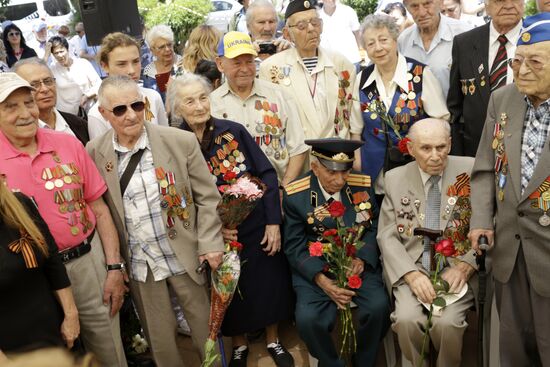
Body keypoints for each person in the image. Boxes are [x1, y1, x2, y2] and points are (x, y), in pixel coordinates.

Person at [86, 75, 224, 366]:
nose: (131, 114)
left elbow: (208, 198)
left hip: (185, 255)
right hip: (140, 263)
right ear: (104, 114)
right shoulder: (94, 153)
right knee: (161, 343)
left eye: (137, 104)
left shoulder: (179, 141)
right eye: (120, 109)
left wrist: (210, 243)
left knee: (205, 334)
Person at [0, 72, 127, 367]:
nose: (25, 113)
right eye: (11, 106)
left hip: (86, 264)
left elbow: (99, 209)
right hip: (31, 281)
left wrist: (113, 267)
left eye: (28, 103)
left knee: (109, 351)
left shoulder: (67, 144)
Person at [168, 73, 295, 367]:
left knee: (267, 282)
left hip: (256, 224)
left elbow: (266, 173)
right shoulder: (175, 141)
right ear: (177, 107)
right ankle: (239, 345)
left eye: (203, 98)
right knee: (227, 289)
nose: (199, 106)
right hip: (214, 233)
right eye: (190, 101)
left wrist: (273, 222)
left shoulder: (233, 131)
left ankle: (273, 339)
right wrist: (211, 231)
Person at [469, 13, 550, 366]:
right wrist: (481, 220)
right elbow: (485, 168)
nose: (522, 70)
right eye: (518, 61)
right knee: (513, 350)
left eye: (535, 62)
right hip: (509, 250)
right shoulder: (502, 100)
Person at [377, 118, 477, 366]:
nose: (435, 156)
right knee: (406, 320)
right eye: (426, 148)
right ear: (410, 148)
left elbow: (489, 224)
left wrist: (466, 266)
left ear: (451, 144)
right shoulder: (394, 178)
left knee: (447, 323)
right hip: (412, 266)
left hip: (456, 267)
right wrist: (411, 275)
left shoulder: (471, 170)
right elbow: (387, 235)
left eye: (441, 147)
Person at [282, 138, 391, 366]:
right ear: (315, 167)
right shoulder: (296, 195)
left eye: (345, 171)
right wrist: (320, 279)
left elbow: (373, 226)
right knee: (308, 320)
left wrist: (362, 258)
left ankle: (365, 360)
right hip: (316, 266)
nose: (340, 180)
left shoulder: (361, 184)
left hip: (356, 264)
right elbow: (293, 245)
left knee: (379, 308)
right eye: (332, 172)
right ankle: (332, 363)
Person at [350, 14, 449, 193]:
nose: (378, 48)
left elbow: (440, 122)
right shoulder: (361, 79)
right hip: (373, 174)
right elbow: (355, 131)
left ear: (395, 40)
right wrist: (358, 169)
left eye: (383, 40)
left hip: (416, 169)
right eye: (370, 44)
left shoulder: (420, 74)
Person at [211, 31, 308, 186]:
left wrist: (285, 189)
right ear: (220, 64)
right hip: (233, 201)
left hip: (278, 190)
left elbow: (298, 149)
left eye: (249, 62)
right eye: (237, 63)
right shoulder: (211, 105)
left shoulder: (280, 96)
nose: (245, 69)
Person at [0, 184, 79, 356]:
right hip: (11, 348)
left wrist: (71, 313)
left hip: (54, 330)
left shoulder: (20, 203)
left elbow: (52, 259)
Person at [259, 0, 356, 140]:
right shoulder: (271, 68)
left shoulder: (341, 63)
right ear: (287, 34)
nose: (311, 29)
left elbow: (352, 117)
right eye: (301, 26)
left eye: (315, 23)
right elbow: (271, 120)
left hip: (336, 155)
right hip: (298, 157)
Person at [447, 0, 524, 157]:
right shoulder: (464, 43)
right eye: (499, 0)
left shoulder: (541, 40)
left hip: (525, 152)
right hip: (475, 152)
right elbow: (455, 108)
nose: (509, 5)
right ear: (486, 5)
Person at [87, 32, 168, 140]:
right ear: (104, 66)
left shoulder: (153, 97)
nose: (131, 70)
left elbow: (166, 139)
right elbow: (102, 153)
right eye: (122, 64)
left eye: (136, 61)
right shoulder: (97, 114)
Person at [398, 0, 472, 98]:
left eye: (427, 4)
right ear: (407, 8)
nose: (422, 12)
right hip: (416, 111)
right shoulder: (403, 40)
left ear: (440, 3)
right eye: (415, 6)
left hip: (456, 111)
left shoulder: (464, 33)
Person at [13, 58, 90, 145]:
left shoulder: (79, 124)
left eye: (48, 81)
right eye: (34, 85)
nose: (45, 89)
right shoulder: (17, 135)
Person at [48, 36, 101, 116]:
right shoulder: (52, 70)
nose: (59, 55)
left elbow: (98, 84)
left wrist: (87, 96)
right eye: (56, 53)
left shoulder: (82, 63)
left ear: (68, 50)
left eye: (61, 51)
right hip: (67, 116)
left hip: (89, 112)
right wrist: (46, 54)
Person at [142, 25, 181, 101]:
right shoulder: (149, 71)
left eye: (169, 44)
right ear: (152, 50)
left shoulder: (183, 63)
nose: (167, 49)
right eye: (162, 47)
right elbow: (152, 101)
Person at [319, 0, 363, 65]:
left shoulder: (348, 11)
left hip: (351, 60)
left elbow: (357, 32)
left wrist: (361, 51)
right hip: (329, 64)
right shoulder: (318, 16)